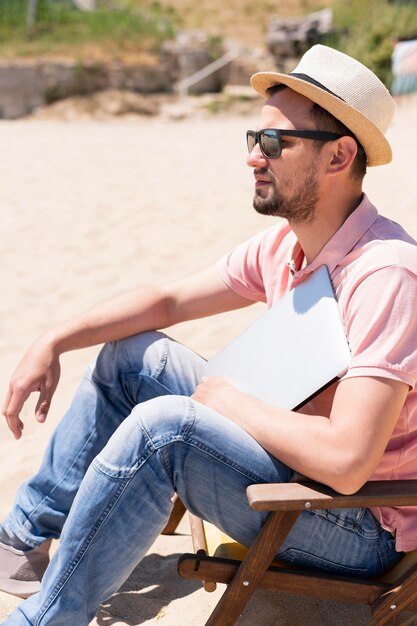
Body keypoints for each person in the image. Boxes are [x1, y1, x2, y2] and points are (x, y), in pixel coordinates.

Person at [1, 44, 416, 625]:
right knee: (133, 358)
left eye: (274, 142)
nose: (254, 158)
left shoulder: (386, 274)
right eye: (253, 139)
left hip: (357, 525)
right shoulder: (289, 245)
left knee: (164, 429)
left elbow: (348, 461)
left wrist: (230, 403)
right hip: (295, 463)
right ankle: (21, 539)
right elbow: (168, 300)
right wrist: (55, 338)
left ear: (339, 156)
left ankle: (43, 619)